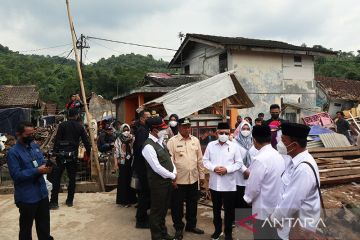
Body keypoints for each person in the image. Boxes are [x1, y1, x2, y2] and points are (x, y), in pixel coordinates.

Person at [270, 123, 321, 240]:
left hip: (295, 231)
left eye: (283, 140)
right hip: (287, 225)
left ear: (295, 145)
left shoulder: (303, 169)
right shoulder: (293, 161)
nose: (279, 144)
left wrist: (274, 218)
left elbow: (290, 203)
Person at [7, 122, 54, 240]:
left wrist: (47, 167)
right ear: (19, 134)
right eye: (28, 134)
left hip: (42, 193)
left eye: (33, 133)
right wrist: (37, 171)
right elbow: (16, 175)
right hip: (27, 197)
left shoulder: (35, 146)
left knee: (44, 226)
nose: (32, 136)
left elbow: (41, 162)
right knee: (26, 230)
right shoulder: (13, 153)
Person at [203, 122, 245, 240]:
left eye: (226, 133)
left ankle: (228, 233)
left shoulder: (234, 146)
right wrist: (214, 168)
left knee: (229, 211)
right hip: (215, 184)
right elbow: (205, 161)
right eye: (221, 133)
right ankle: (217, 230)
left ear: (229, 133)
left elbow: (239, 163)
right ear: (217, 133)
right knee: (216, 210)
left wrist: (227, 169)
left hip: (229, 184)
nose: (223, 135)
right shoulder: (211, 145)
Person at [243, 125, 284, 240]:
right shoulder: (277, 155)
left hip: (262, 210)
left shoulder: (260, 159)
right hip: (276, 207)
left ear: (254, 140)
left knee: (262, 235)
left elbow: (253, 187)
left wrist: (247, 199)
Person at [167, 117, 205, 240]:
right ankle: (178, 228)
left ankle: (191, 225)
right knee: (177, 206)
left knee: (192, 204)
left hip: (193, 179)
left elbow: (200, 159)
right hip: (178, 180)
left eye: (188, 126)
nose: (187, 129)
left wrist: (202, 175)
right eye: (184, 126)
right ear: (179, 127)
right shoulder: (172, 141)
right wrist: (172, 178)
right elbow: (169, 161)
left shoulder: (195, 140)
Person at [142, 117, 177, 240]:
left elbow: (169, 158)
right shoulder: (148, 146)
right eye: (162, 129)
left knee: (163, 211)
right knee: (156, 212)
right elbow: (156, 167)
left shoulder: (160, 142)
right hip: (158, 184)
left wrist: (174, 171)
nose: (165, 130)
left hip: (167, 182)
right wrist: (172, 175)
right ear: (155, 130)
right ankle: (156, 236)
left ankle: (163, 233)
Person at [49, 108, 91, 209]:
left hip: (61, 155)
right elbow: (86, 141)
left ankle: (54, 202)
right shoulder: (80, 127)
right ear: (77, 115)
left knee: (57, 178)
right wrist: (89, 154)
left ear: (67, 115)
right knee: (72, 179)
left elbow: (57, 140)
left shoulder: (62, 125)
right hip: (72, 156)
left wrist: (55, 153)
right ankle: (69, 201)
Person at [133, 110, 152, 228]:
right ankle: (141, 220)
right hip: (142, 167)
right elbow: (142, 150)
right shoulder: (141, 131)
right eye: (147, 117)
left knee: (146, 193)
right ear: (141, 119)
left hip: (144, 167)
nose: (149, 119)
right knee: (144, 194)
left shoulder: (145, 130)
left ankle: (143, 216)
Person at [233, 121, 254, 217]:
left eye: (248, 129)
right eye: (243, 129)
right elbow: (234, 159)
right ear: (239, 130)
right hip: (238, 174)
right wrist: (244, 170)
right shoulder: (234, 142)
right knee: (238, 196)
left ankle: (247, 217)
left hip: (252, 174)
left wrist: (250, 171)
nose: (245, 131)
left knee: (249, 196)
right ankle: (238, 217)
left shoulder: (253, 142)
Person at [114, 123, 137, 207]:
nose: (126, 132)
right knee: (123, 181)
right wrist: (116, 164)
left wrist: (131, 140)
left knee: (130, 180)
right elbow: (116, 152)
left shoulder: (133, 138)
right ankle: (123, 200)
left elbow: (135, 148)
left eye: (127, 130)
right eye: (124, 130)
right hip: (122, 162)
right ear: (121, 131)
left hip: (131, 162)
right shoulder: (118, 140)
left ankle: (132, 199)